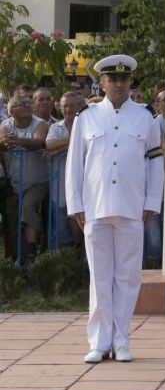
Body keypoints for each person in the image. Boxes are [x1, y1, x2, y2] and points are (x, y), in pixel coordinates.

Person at [65, 55, 163, 363]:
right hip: (95, 208)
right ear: (102, 83)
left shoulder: (146, 117)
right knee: (100, 277)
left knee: (128, 278)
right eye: (112, 79)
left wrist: (151, 202)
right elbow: (74, 165)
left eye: (124, 79)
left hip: (132, 207)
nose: (118, 84)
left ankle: (121, 340)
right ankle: (98, 341)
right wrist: (76, 204)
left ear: (130, 82)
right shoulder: (87, 116)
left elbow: (155, 164)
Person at [0, 90, 49, 263]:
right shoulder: (6, 124)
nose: (28, 106)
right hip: (14, 183)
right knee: (14, 221)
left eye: (29, 103)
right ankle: (17, 262)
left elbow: (39, 142)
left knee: (28, 207)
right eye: (23, 104)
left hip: (38, 182)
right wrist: (3, 143)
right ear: (12, 111)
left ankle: (30, 256)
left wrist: (18, 141)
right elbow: (2, 141)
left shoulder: (41, 124)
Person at [45, 90, 87, 247]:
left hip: (84, 188)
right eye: (64, 106)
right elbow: (49, 144)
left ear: (80, 106)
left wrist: (59, 149)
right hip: (60, 188)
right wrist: (74, 141)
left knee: (80, 230)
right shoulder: (56, 127)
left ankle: (83, 268)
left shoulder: (88, 125)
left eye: (71, 105)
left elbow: (88, 145)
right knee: (62, 234)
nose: (68, 109)